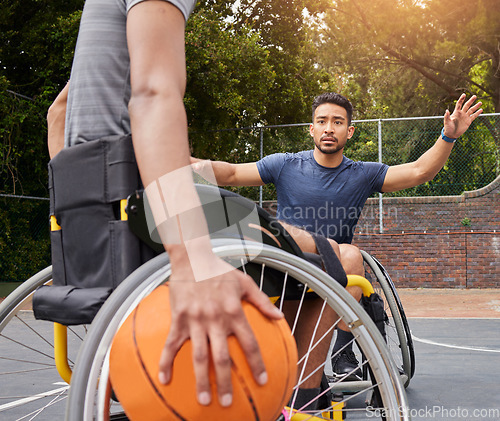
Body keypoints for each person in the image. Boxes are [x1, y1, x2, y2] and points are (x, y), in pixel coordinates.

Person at [47, 0, 284, 409]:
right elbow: (154, 92)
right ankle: (289, 398)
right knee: (332, 258)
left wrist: (76, 201)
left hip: (94, 203)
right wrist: (193, 260)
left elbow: (58, 113)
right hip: (139, 198)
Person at [191, 91, 483, 379]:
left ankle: (343, 353)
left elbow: (419, 172)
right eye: (322, 121)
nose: (329, 128)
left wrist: (448, 137)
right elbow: (228, 174)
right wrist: (177, 163)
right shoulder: (285, 165)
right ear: (312, 129)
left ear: (350, 131)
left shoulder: (363, 173)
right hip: (287, 265)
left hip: (334, 271)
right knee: (286, 356)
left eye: (338, 122)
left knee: (352, 255)